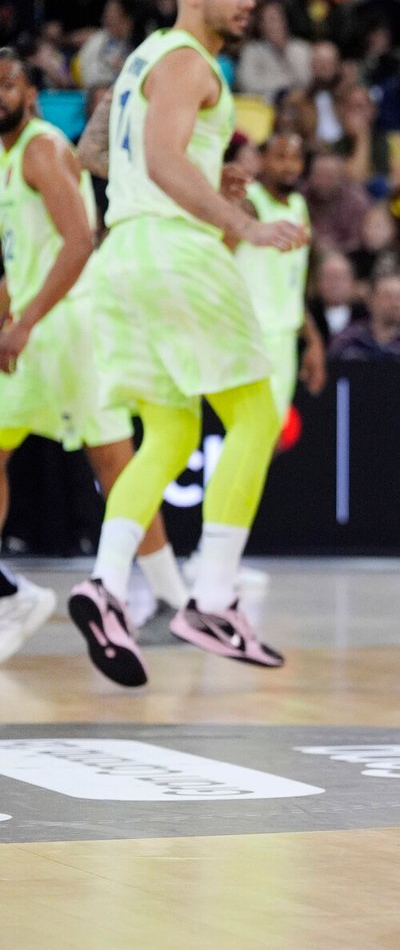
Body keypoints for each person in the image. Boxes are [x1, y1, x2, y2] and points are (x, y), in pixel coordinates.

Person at [72, 0, 308, 686]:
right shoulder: (188, 60)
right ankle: (212, 599)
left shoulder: (142, 60)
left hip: (124, 261)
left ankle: (107, 586)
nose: (249, 1)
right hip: (176, 255)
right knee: (255, 418)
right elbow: (165, 161)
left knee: (170, 431)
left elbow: (96, 154)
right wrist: (242, 224)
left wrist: (214, 174)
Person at [0, 49, 191, 665]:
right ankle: (164, 598)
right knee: (109, 463)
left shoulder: (41, 149)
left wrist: (23, 321)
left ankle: (164, 598)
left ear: (30, 92)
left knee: (112, 464)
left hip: (68, 326)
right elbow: (17, 253)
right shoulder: (6, 158)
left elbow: (80, 241)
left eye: (7, 83)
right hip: (42, 326)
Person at [237, 133, 327, 421]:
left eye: (296, 158)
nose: (289, 166)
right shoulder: (248, 203)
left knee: (271, 434)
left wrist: (312, 339)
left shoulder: (299, 206)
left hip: (285, 337)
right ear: (262, 160)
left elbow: (293, 282)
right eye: (280, 157)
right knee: (253, 430)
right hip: (249, 334)